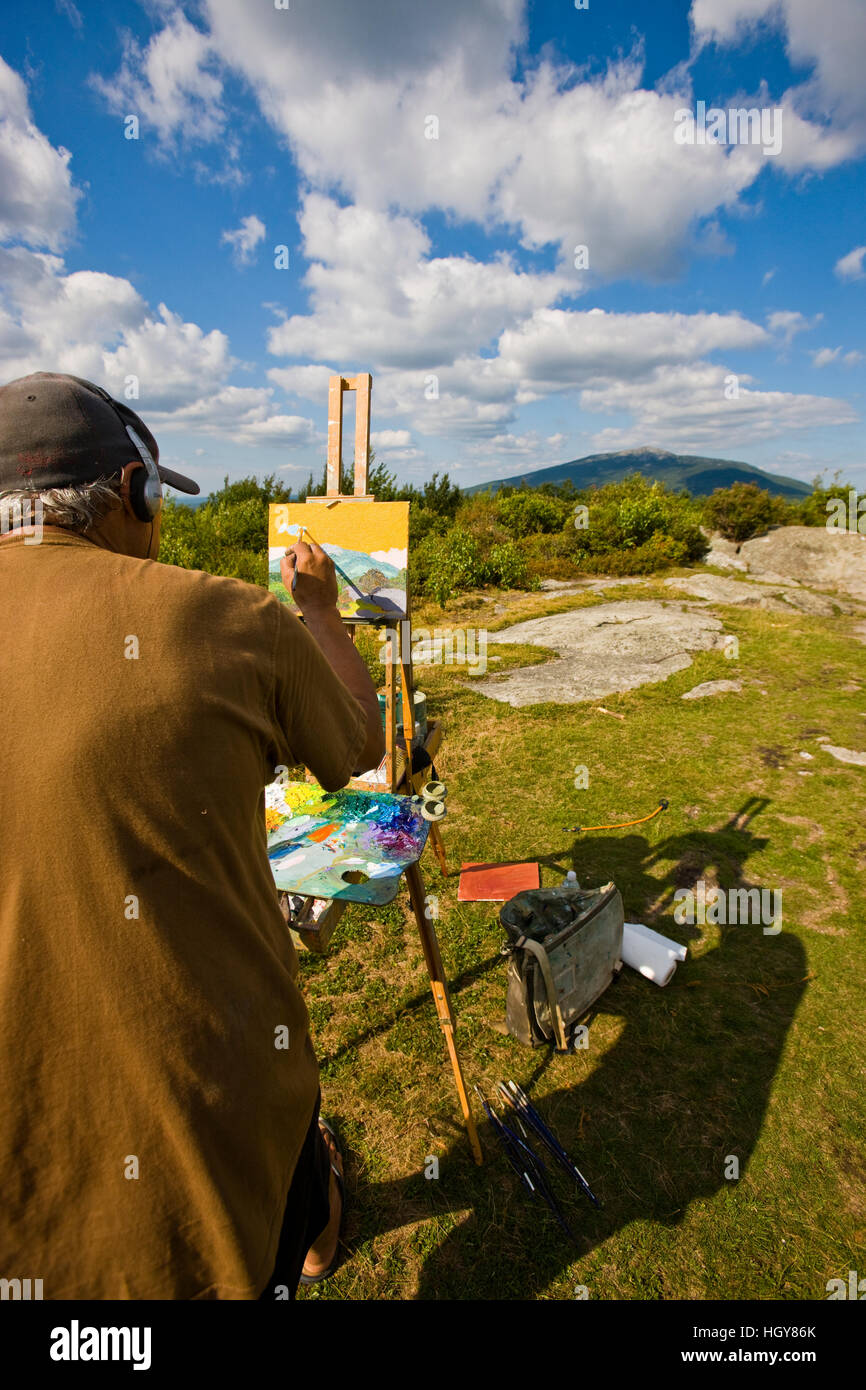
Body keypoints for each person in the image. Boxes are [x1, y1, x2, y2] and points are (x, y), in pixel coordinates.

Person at [0, 372, 384, 1298]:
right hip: (208, 1139)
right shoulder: (230, 617)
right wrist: (322, 611)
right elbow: (361, 744)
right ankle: (316, 1226)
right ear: (132, 493)